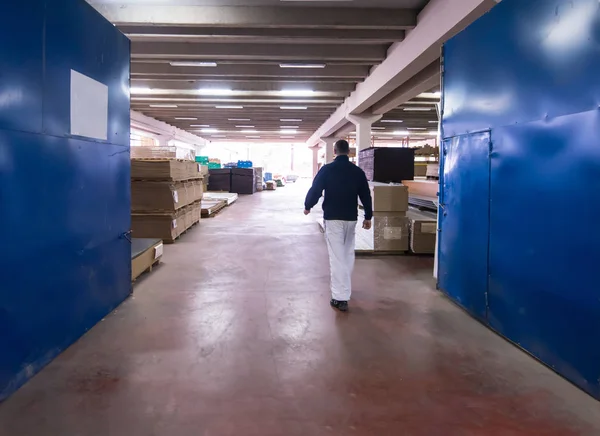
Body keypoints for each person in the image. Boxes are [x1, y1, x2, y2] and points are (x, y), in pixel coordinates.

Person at [304, 139, 373, 312]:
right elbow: (365, 194)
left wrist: (308, 205)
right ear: (348, 152)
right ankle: (345, 287)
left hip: (333, 218)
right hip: (351, 218)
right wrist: (368, 216)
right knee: (348, 253)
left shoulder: (327, 169)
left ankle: (340, 297)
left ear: (334, 151)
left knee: (337, 257)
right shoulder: (357, 171)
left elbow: (316, 189)